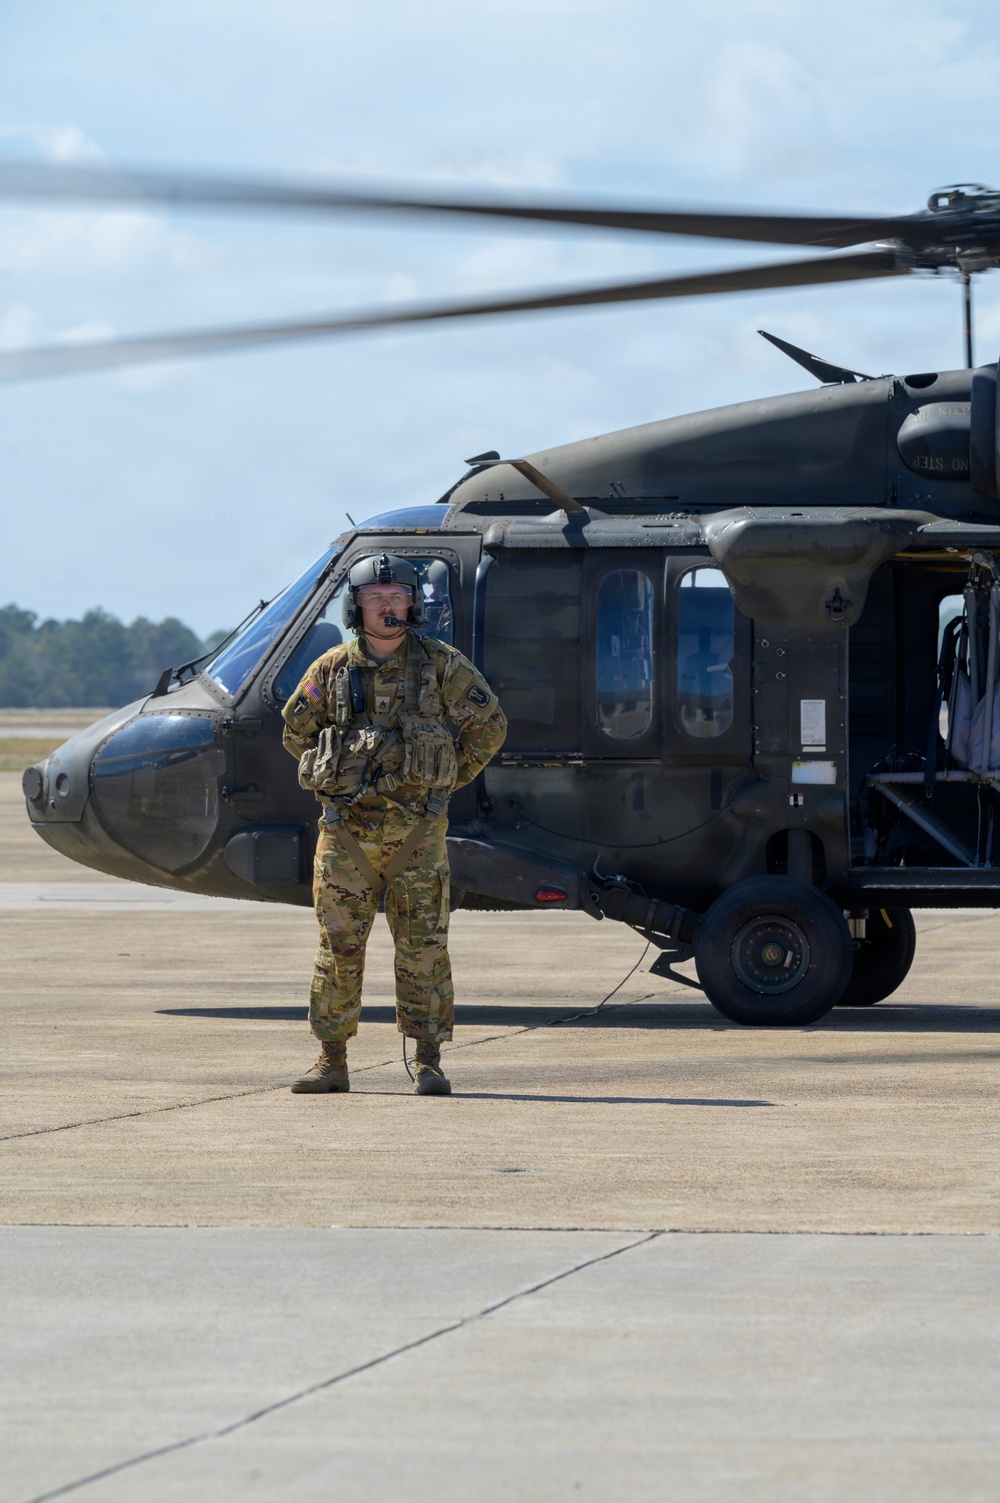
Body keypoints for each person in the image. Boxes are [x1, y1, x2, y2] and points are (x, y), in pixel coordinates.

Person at [281, 552, 507, 1096]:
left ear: (413, 604)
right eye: (375, 598)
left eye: (397, 597)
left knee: (424, 949)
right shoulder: (331, 669)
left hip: (417, 837)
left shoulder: (442, 665)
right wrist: (333, 773)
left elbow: (490, 726)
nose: (387, 606)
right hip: (345, 835)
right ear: (356, 607)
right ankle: (331, 1061)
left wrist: (444, 781)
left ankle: (428, 1061)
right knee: (338, 949)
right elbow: (295, 733)